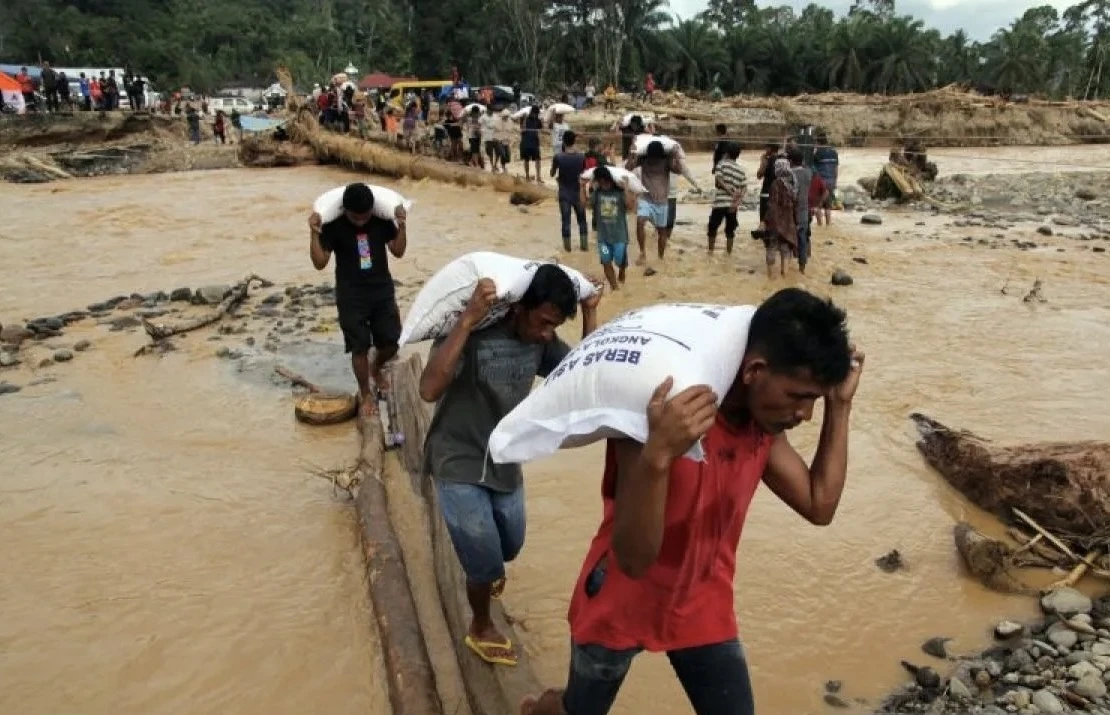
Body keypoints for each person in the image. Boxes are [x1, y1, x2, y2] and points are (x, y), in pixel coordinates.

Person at [521, 287, 863, 715]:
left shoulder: (763, 428)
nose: (804, 414)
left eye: (813, 400)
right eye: (800, 397)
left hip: (702, 599)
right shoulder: (664, 412)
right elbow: (633, 560)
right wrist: (659, 454)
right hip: (619, 599)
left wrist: (841, 406)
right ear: (755, 370)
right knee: (578, 710)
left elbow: (820, 504)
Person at [419, 265, 600, 668]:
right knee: (483, 558)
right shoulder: (474, 332)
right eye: (543, 322)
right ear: (519, 308)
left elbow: (582, 383)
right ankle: (480, 625)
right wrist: (466, 320)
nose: (547, 333)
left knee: (510, 544)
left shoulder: (541, 341)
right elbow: (429, 389)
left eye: (554, 326)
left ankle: (483, 567)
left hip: (504, 456)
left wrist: (590, 314)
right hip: (458, 456)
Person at [308, 183, 408, 412]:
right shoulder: (334, 225)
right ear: (346, 210)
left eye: (366, 217)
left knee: (392, 342)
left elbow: (398, 251)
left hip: (381, 289)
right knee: (359, 346)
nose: (362, 221)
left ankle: (376, 367)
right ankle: (365, 393)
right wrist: (314, 233)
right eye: (356, 218)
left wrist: (402, 226)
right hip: (351, 293)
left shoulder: (381, 220)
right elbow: (319, 262)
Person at [626, 140, 682, 266]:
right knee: (640, 222)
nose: (654, 159)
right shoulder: (643, 160)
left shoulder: (666, 161)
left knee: (662, 231)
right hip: (646, 198)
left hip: (661, 202)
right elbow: (628, 168)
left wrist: (676, 157)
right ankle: (642, 253)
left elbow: (678, 170)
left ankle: (660, 258)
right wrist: (631, 154)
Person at [589, 167, 630, 290]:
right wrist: (582, 187)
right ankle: (615, 288)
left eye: (605, 181)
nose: (604, 184)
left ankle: (622, 270)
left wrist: (626, 188)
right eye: (600, 182)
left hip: (619, 236)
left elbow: (631, 206)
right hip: (603, 238)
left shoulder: (619, 193)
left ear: (611, 180)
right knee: (606, 262)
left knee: (619, 260)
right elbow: (584, 204)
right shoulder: (597, 193)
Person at [551, 130, 589, 252]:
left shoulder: (558, 157)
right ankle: (584, 247)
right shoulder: (581, 156)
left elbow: (552, 173)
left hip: (564, 193)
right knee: (582, 221)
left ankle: (567, 250)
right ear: (574, 141)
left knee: (565, 221)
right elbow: (584, 173)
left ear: (563, 141)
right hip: (578, 192)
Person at [707, 142, 746, 255]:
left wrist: (728, 191)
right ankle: (729, 254)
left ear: (727, 153)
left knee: (712, 227)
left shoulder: (721, 164)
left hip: (720, 203)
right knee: (730, 231)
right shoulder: (741, 170)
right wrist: (737, 201)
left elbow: (719, 179)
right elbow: (744, 188)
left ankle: (710, 252)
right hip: (733, 205)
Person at [765, 158, 798, 278]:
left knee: (771, 247)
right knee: (785, 249)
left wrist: (766, 221)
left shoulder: (776, 184)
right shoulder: (792, 184)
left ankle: (770, 276)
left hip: (776, 221)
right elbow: (795, 204)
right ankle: (784, 275)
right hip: (788, 222)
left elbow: (772, 204)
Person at [787, 147, 813, 274]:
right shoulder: (808, 173)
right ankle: (802, 268)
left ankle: (785, 268)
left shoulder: (788, 174)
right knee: (802, 240)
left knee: (786, 240)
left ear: (790, 161)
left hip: (790, 212)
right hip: (803, 212)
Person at [754, 142, 783, 235]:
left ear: (770, 149)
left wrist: (762, 160)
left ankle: (764, 237)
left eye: (766, 148)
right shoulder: (782, 160)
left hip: (766, 192)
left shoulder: (768, 160)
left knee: (763, 218)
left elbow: (759, 175)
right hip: (779, 193)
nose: (765, 150)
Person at [813, 134, 839, 226]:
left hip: (821, 181)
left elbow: (814, 169)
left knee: (817, 205)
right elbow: (836, 168)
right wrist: (835, 181)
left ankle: (819, 225)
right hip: (831, 181)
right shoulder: (834, 152)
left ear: (818, 142)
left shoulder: (817, 154)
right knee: (828, 206)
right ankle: (828, 225)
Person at [520, 105, 543, 183]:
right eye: (535, 113)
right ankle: (527, 176)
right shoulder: (525, 119)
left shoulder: (538, 120)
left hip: (535, 142)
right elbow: (522, 130)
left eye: (537, 114)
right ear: (532, 112)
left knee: (538, 159)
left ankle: (538, 177)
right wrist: (524, 119)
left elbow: (541, 129)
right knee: (526, 160)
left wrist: (542, 122)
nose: (536, 115)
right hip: (526, 143)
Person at [495, 109, 516, 174]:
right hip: (500, 141)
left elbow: (511, 131)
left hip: (507, 141)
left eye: (507, 116)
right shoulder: (498, 121)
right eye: (505, 116)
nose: (506, 117)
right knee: (502, 155)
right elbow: (497, 131)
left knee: (508, 157)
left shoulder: (510, 122)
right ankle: (502, 167)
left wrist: (512, 140)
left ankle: (499, 166)